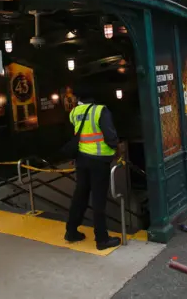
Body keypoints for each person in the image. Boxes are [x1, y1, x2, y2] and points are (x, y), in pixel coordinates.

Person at [64, 86, 121, 250]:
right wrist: (115, 149)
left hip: (81, 159)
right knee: (98, 200)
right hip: (99, 161)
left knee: (80, 195)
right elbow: (110, 136)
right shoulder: (100, 111)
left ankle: (71, 231)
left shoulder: (74, 112)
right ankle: (102, 239)